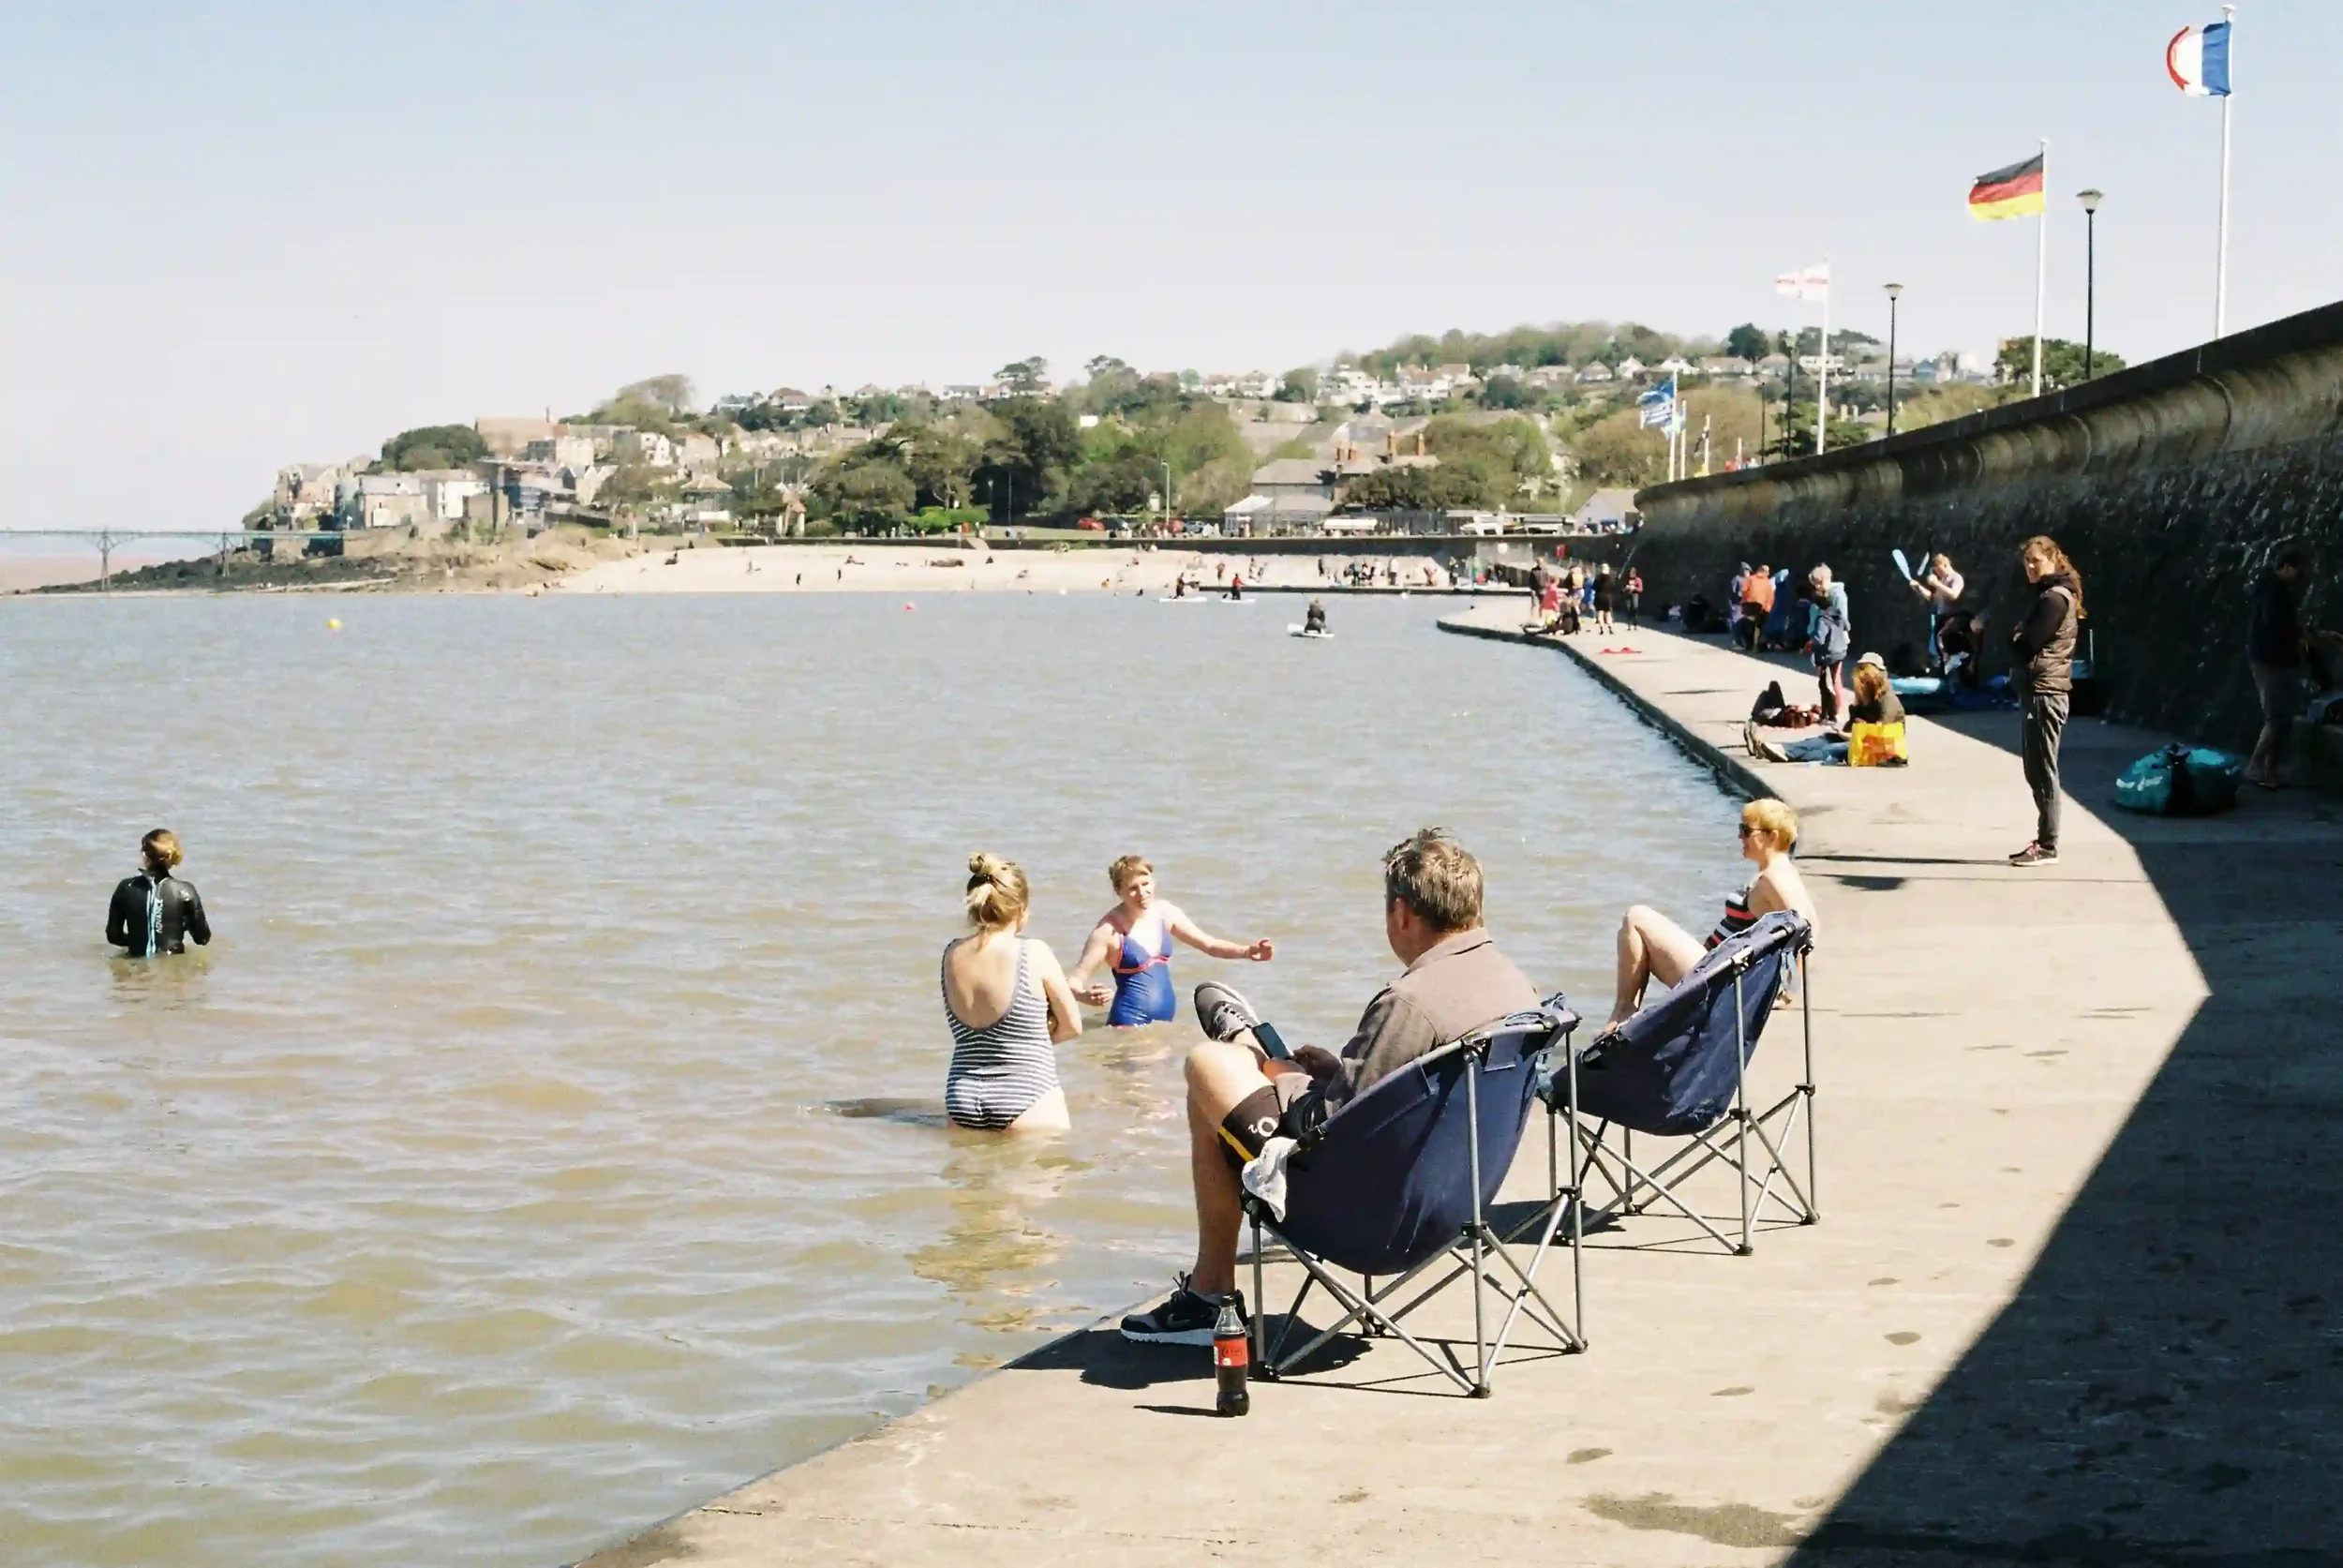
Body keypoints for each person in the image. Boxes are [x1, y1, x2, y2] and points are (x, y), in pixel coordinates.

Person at [1119, 829, 1537, 1343]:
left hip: (1367, 1224)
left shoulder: (1408, 1003)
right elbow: (1409, 1094)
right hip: (1455, 1208)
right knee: (1246, 1076)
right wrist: (1340, 1073)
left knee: (1207, 1068)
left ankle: (1210, 1296)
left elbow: (1320, 1126)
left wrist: (1284, 1073)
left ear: (1402, 913)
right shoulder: (1518, 989)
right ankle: (1247, 1045)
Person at [1605, 799, 1815, 1030]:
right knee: (1639, 928)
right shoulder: (1779, 872)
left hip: (1723, 981)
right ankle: (1628, 1017)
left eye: (1746, 831)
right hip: (1718, 967)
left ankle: (1624, 1011)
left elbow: (1805, 930)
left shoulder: (1773, 878)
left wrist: (1785, 991)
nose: (1740, 838)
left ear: (1772, 837)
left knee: (1636, 918)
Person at [942, 854, 1083, 1132]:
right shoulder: (1033, 951)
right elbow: (1073, 1027)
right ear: (1021, 909)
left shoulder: (951, 953)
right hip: (1027, 1096)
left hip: (962, 1098)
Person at [1067, 856, 1273, 1027]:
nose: (1142, 893)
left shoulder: (1165, 913)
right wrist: (1085, 997)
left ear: (1153, 881)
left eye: (1146, 884)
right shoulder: (1108, 932)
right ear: (1118, 892)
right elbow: (1072, 982)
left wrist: (1247, 951)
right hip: (1128, 1025)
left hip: (1163, 1025)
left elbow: (1210, 945)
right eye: (1132, 888)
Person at [2009, 535, 2082, 866]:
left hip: (2045, 691)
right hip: (2041, 689)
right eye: (2027, 562)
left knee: (2042, 769)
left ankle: (2048, 844)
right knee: (2035, 767)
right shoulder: (2051, 595)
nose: (2030, 567)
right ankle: (2044, 839)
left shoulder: (2053, 599)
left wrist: (2019, 635)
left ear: (2053, 559)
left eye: (2036, 561)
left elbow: (2027, 645)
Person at [1747, 654, 1905, 763]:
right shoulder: (1866, 697)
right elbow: (1853, 725)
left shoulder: (1888, 701)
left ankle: (1788, 755)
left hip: (1881, 748)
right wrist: (1855, 709)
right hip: (1859, 739)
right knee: (1824, 738)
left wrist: (1848, 735)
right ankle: (1783, 749)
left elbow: (1878, 734)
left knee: (1831, 748)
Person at [2246, 545, 2311, 788]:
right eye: (2298, 569)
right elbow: (2275, 623)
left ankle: (2269, 770)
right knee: (2275, 717)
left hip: (2280, 659)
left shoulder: (2278, 588)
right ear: (2285, 567)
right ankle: (2255, 766)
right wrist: (2298, 635)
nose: (2301, 575)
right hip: (2268, 660)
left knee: (2283, 718)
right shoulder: (2271, 590)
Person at [107, 829, 212, 957]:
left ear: (145, 856)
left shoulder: (126, 887)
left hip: (136, 969)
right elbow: (202, 938)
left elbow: (113, 936)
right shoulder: (185, 891)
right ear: (171, 856)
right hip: (173, 969)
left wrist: (139, 941)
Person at [1806, 566, 1851, 721]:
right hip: (1831, 643)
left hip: (1828, 644)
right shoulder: (1829, 596)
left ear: (1824, 579)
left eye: (1818, 583)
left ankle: (1833, 709)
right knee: (1832, 678)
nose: (1816, 587)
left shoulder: (1836, 596)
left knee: (1829, 680)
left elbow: (1841, 621)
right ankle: (1833, 709)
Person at [1907, 553, 1965, 669]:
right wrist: (1919, 587)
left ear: (1944, 564)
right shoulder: (1942, 580)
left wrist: (1936, 583)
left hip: (1953, 623)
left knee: (1951, 654)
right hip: (1941, 620)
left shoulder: (1956, 578)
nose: (1937, 573)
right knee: (1938, 654)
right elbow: (1933, 598)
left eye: (1938, 570)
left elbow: (1954, 594)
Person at [1740, 562, 1774, 650]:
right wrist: (1768, 608)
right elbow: (1770, 596)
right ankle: (1760, 645)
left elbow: (1744, 590)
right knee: (1761, 626)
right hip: (1762, 606)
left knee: (1749, 625)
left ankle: (1749, 645)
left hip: (1750, 605)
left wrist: (1744, 602)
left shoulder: (1750, 579)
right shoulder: (1767, 582)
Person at [1591, 563, 1618, 635]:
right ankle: (1610, 627)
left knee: (1600, 614)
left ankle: (1601, 628)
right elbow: (1613, 588)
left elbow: (1593, 587)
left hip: (1599, 597)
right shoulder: (1611, 578)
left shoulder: (1598, 578)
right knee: (1608, 614)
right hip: (1608, 598)